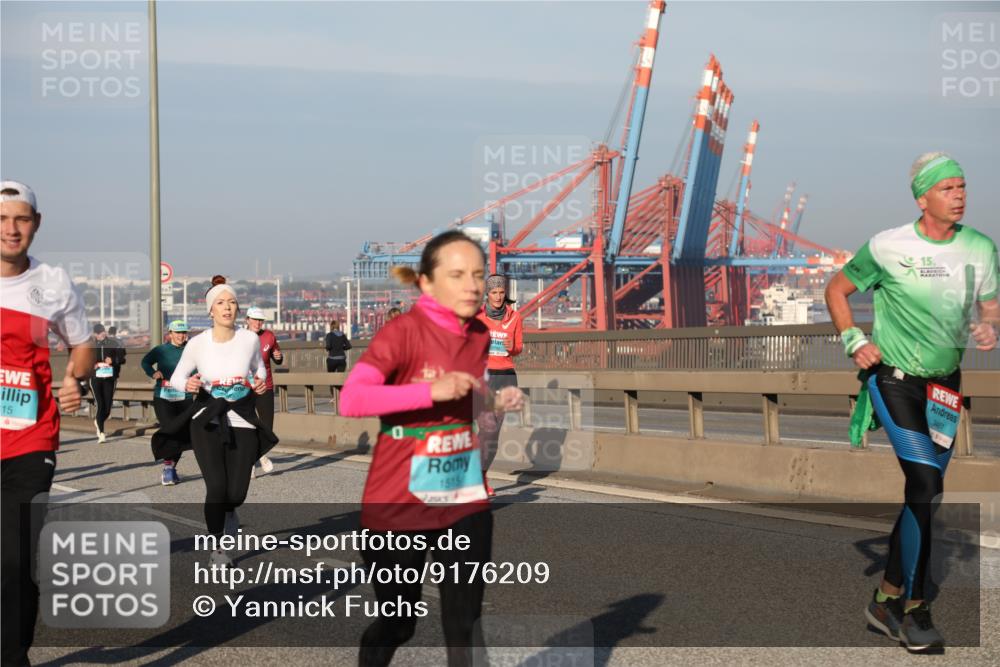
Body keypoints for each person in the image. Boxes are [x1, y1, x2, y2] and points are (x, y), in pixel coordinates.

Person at [825, 153, 998, 652]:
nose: (959, 195)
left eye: (962, 186)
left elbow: (991, 304)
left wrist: (989, 324)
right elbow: (836, 288)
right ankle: (916, 611)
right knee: (924, 480)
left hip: (944, 386)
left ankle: (885, 598)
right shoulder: (887, 246)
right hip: (893, 380)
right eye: (947, 188)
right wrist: (854, 339)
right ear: (923, 199)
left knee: (926, 492)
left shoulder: (981, 247)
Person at [340, 231, 524, 667]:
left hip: (462, 491)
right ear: (427, 283)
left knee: (465, 628)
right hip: (398, 496)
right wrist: (428, 392)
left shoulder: (479, 332)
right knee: (400, 623)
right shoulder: (402, 333)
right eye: (457, 275)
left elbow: (465, 389)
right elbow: (353, 399)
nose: (473, 286)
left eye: (478, 275)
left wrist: (495, 399)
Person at [1, 180, 94, 667]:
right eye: (2, 219)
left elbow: (81, 343)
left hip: (30, 437)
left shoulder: (53, 283)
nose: (11, 230)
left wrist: (75, 378)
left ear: (35, 225)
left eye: (21, 219)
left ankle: (13, 657)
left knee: (16, 558)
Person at [151, 276, 277, 567]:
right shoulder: (197, 344)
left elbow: (259, 369)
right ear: (211, 310)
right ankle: (217, 548)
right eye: (221, 302)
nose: (227, 307)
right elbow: (180, 376)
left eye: (232, 302)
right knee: (216, 487)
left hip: (243, 417)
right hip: (207, 418)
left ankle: (231, 511)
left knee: (236, 493)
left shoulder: (249, 339)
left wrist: (258, 384)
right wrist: (190, 385)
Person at [475, 274, 523, 497]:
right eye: (493, 292)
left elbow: (518, 348)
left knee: (494, 434)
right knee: (488, 428)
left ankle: (482, 476)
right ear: (487, 294)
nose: (498, 296)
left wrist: (512, 346)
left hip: (505, 376)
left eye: (501, 292)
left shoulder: (515, 317)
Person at [141, 320, 192, 485]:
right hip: (164, 396)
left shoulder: (191, 350)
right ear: (170, 334)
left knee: (182, 432)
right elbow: (145, 362)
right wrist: (153, 372)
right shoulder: (161, 350)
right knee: (170, 429)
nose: (181, 335)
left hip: (185, 397)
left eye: (183, 332)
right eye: (177, 332)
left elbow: (201, 368)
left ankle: (171, 467)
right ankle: (168, 468)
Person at [245, 307, 282, 475]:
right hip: (244, 388)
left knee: (267, 426)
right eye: (255, 319)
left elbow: (277, 356)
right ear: (247, 320)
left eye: (261, 320)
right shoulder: (239, 337)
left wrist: (278, 357)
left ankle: (258, 456)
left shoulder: (269, 336)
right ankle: (252, 460)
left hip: (265, 386)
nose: (258, 323)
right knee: (247, 426)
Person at [90, 322, 126, 442]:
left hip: (110, 378)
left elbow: (122, 359)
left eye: (103, 332)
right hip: (95, 378)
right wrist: (92, 365)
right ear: (95, 334)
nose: (103, 335)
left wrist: (114, 360)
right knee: (100, 405)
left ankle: (98, 420)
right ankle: (101, 432)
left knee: (107, 407)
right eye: (100, 333)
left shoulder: (114, 344)